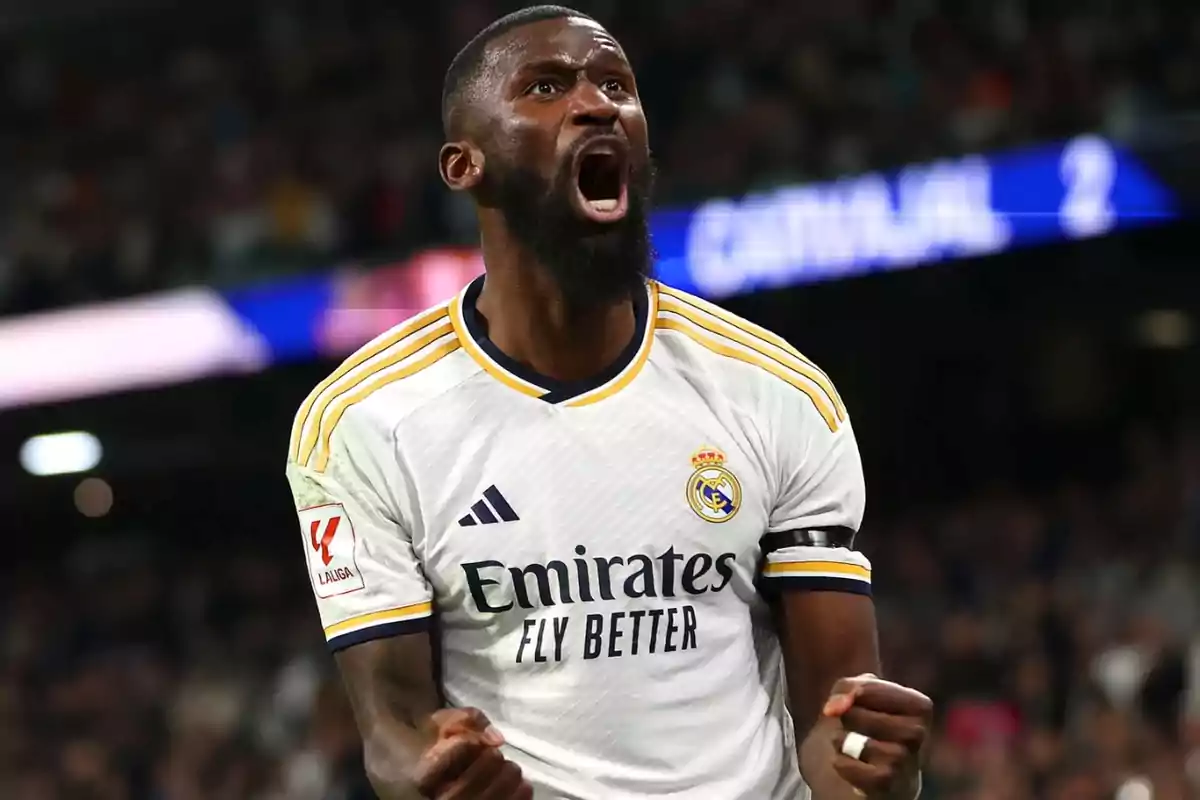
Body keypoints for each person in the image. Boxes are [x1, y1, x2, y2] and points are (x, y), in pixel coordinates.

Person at [285, 5, 932, 798]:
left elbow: (839, 724)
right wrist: (434, 780)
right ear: (464, 165)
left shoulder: (778, 391)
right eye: (547, 86)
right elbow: (391, 735)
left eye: (617, 85)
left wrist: (884, 780)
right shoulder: (361, 422)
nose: (598, 104)